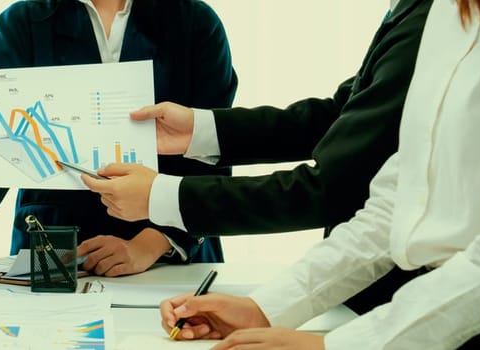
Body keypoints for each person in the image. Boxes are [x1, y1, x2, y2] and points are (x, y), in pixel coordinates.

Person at [151, 0, 480, 348]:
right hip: (425, 318)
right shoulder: (445, 11)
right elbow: (393, 205)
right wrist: (264, 308)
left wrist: (337, 346)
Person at [80, 0, 433, 314]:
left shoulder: (430, 23)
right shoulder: (409, 12)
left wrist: (161, 199)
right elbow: (339, 116)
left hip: (398, 297)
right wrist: (201, 129)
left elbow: (332, 188)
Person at [0, 0, 238, 282]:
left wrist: (148, 245)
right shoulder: (25, 21)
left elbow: (211, 149)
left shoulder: (195, 21)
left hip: (170, 246)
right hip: (55, 242)